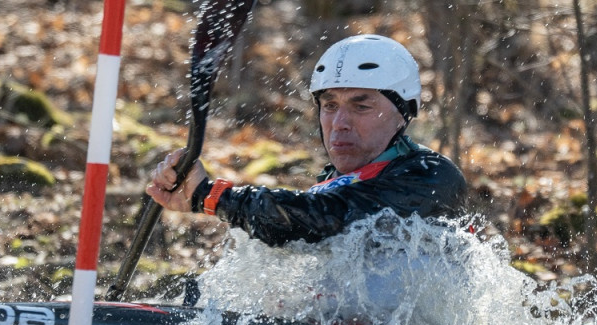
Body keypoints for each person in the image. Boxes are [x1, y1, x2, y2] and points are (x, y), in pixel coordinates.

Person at [146, 34, 467, 248]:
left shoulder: (431, 177)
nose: (339, 124)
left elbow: (327, 219)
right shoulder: (333, 183)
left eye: (361, 105)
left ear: (403, 113)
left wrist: (211, 196)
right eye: (330, 106)